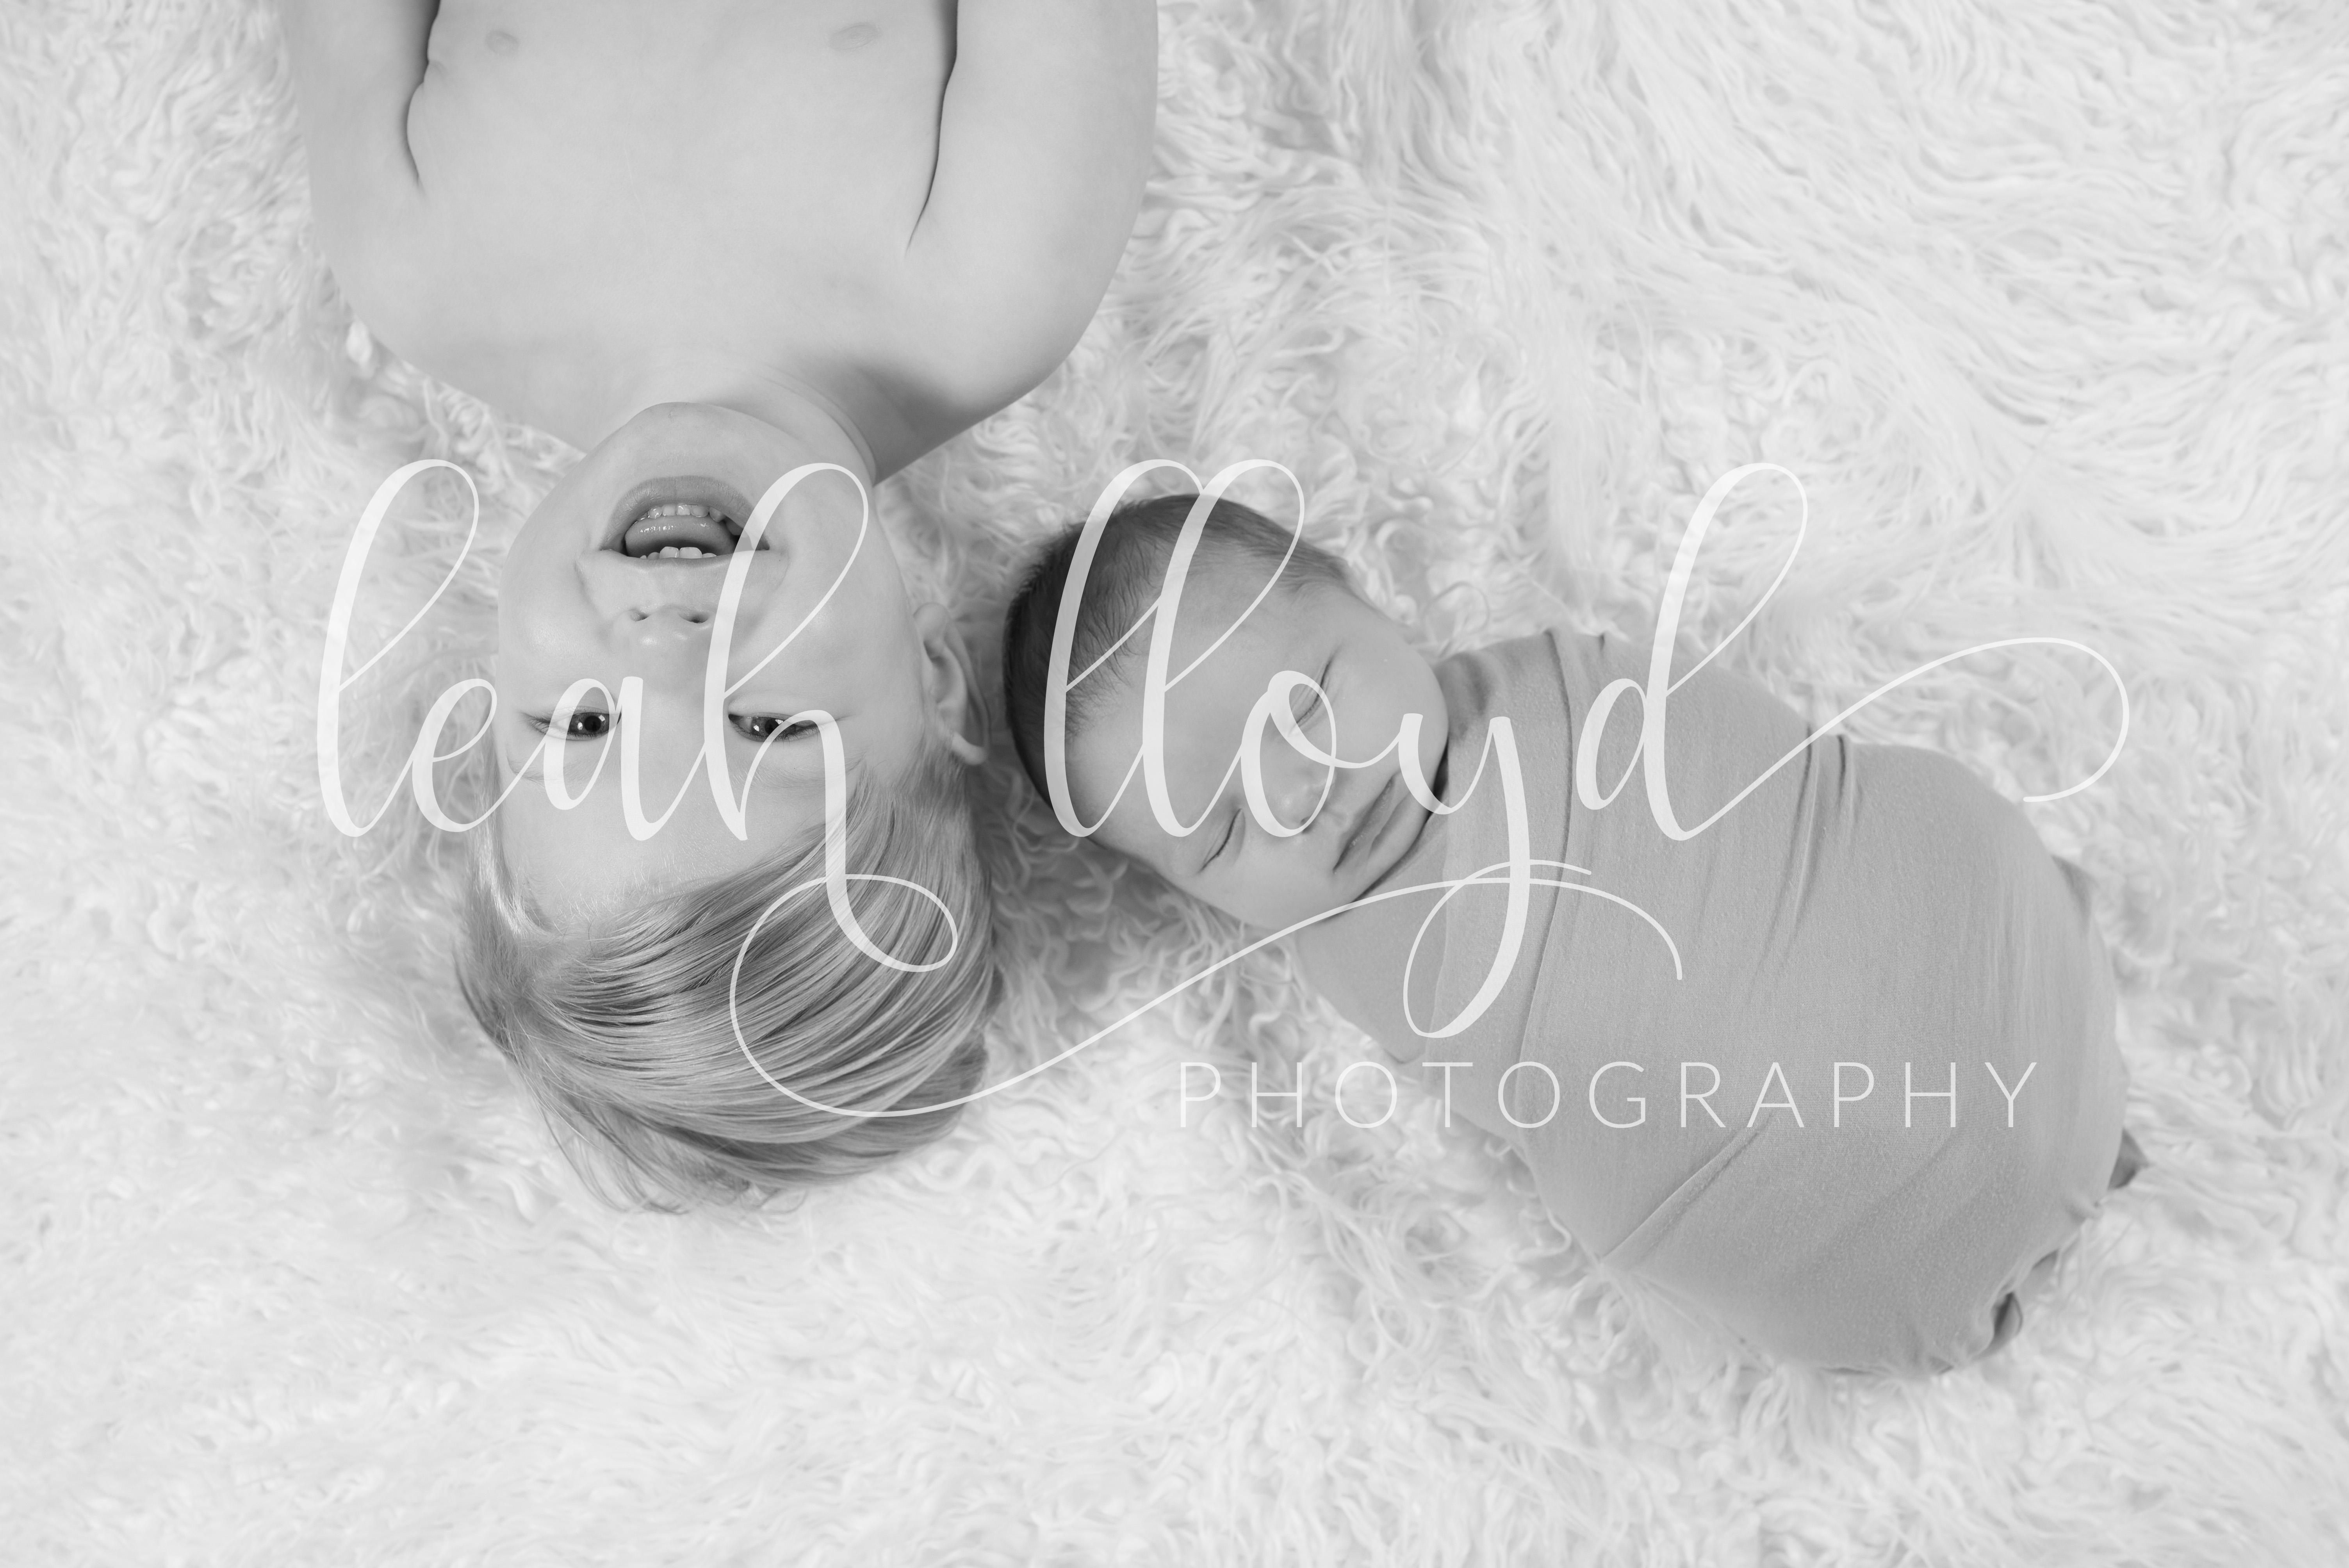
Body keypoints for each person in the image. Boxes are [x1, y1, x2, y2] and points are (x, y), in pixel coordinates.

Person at [280, 0, 1158, 1203]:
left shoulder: (415, 273)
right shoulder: (992, 284)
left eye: (584, 724)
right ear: (938, 684)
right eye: (769, 726)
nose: (666, 644)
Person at [1000, 492, 2144, 1374]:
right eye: (1224, 827)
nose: (1307, 796)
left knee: (1903, 862)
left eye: (1307, 706)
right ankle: (2046, 1155)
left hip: (1972, 939)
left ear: (1371, 603)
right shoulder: (1348, 958)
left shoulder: (1563, 685)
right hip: (1811, 1220)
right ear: (1196, 896)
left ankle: (2034, 1138)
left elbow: (1755, 772)